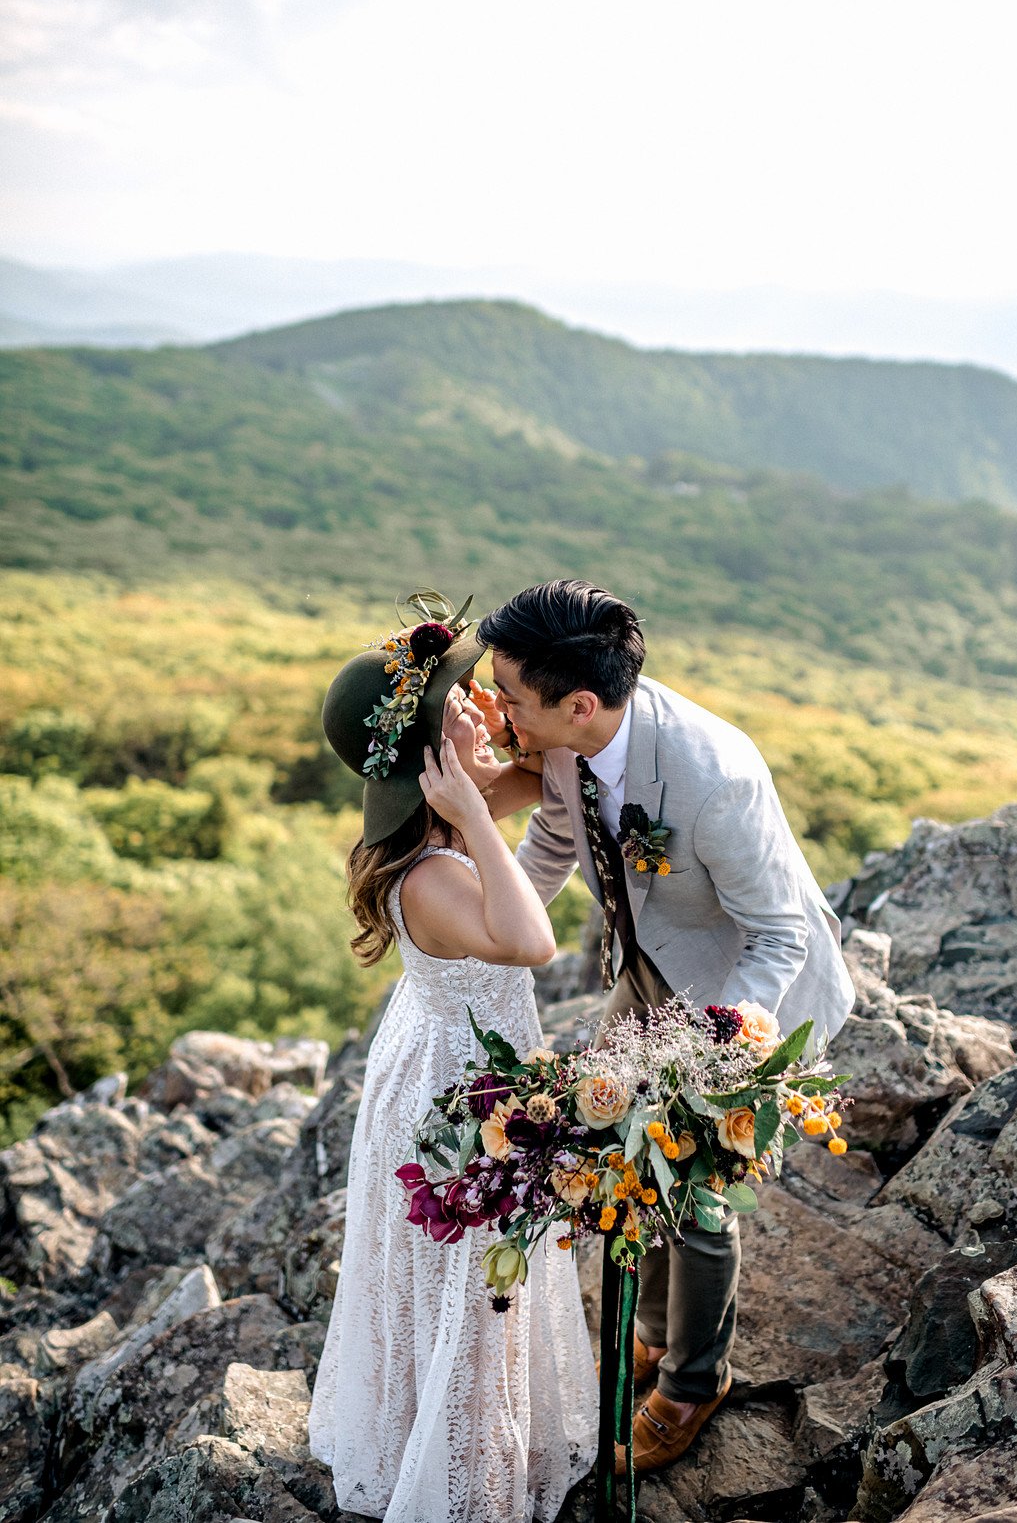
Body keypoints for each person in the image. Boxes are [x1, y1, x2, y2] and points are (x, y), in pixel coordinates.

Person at [475, 579, 856, 1477]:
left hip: (742, 997)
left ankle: (693, 1383)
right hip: (650, 970)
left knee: (694, 1191)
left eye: (511, 699)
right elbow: (555, 846)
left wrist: (723, 1048)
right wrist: (486, 933)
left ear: (577, 703)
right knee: (612, 1149)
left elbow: (779, 936)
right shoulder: (572, 742)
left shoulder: (712, 775)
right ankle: (649, 1332)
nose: (502, 715)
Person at [307, 601, 597, 1523]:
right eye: (459, 702)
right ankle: (461, 1479)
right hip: (456, 1095)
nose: (478, 702)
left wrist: (490, 764)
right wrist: (473, 808)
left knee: (469, 1290)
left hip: (447, 1056)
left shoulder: (436, 821)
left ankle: (461, 1439)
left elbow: (551, 774)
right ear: (431, 753)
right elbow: (532, 940)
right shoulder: (432, 870)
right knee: (469, 1295)